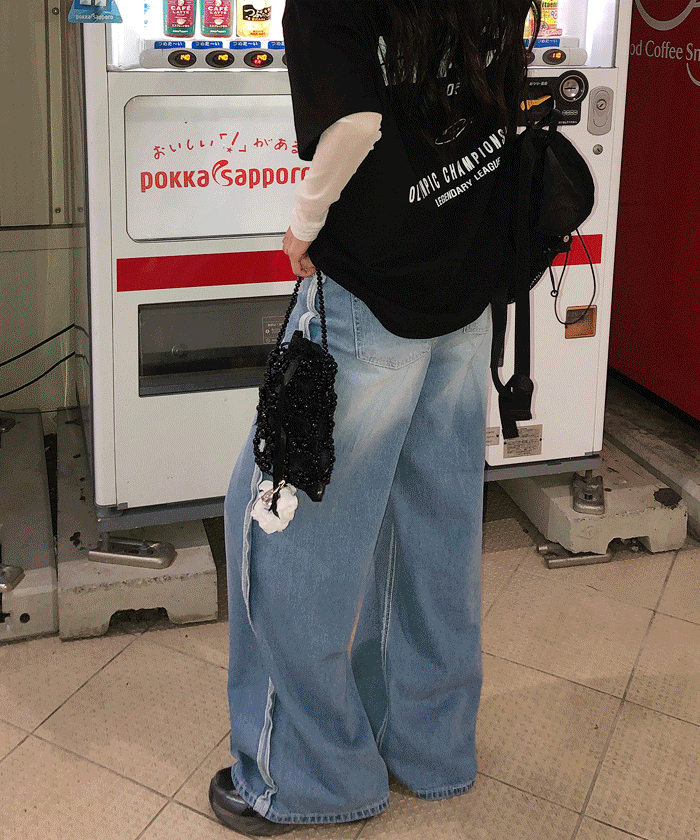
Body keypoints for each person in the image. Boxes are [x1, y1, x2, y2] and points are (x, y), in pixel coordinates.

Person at [209, 0, 540, 834]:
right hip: (464, 289)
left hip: (366, 303)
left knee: (281, 531)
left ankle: (309, 781)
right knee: (434, 529)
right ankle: (429, 748)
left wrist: (302, 223)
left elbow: (355, 121)